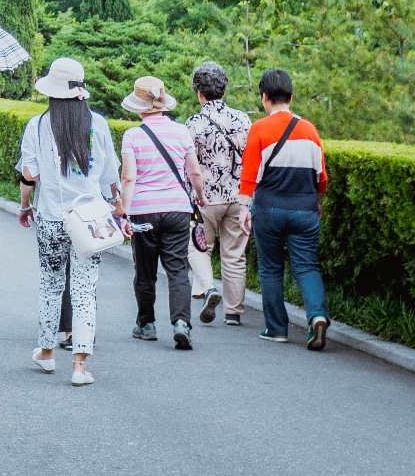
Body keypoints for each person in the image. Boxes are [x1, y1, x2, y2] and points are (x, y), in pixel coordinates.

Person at [17, 56, 120, 387]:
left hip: (51, 216)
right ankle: (79, 366)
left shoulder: (37, 125)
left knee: (50, 283)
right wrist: (117, 205)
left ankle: (46, 353)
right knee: (85, 290)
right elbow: (109, 177)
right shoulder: (98, 124)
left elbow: (29, 173)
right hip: (88, 220)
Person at [239, 67, 330, 350]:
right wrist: (317, 205)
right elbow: (321, 177)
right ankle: (317, 316)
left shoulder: (260, 129)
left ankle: (277, 328)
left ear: (265, 97)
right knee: (306, 267)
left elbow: (249, 175)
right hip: (304, 210)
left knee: (270, 268)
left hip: (269, 209)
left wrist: (244, 209)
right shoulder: (310, 130)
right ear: (291, 97)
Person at [118, 75, 206, 350]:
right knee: (178, 269)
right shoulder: (181, 132)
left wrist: (124, 212)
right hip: (178, 209)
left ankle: (146, 324)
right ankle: (181, 323)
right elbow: (194, 171)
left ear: (139, 107)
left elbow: (129, 179)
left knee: (145, 271)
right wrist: (199, 198)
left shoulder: (132, 135)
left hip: (144, 211)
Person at [185, 61, 252, 327]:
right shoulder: (243, 119)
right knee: (234, 253)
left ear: (199, 92)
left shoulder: (194, 123)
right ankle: (234, 312)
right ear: (223, 89)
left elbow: (187, 163)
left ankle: (209, 289)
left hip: (205, 197)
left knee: (199, 247)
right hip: (238, 197)